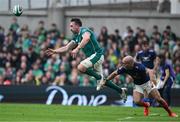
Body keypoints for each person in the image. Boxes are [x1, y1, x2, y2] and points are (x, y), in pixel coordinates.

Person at [45, 18, 127, 101]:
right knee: (103, 83)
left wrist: (77, 48)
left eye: (71, 26)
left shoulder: (85, 31)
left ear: (77, 25)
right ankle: (120, 90)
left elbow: (86, 38)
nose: (70, 28)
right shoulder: (76, 37)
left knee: (80, 67)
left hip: (97, 55)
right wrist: (55, 51)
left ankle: (99, 78)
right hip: (93, 58)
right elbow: (66, 48)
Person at [104, 56, 177, 117]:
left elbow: (150, 71)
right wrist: (106, 80)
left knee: (159, 99)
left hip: (147, 83)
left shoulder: (140, 67)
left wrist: (152, 81)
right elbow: (114, 74)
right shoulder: (124, 68)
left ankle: (170, 113)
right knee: (137, 101)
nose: (123, 65)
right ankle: (146, 105)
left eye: (125, 63)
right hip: (137, 85)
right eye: (123, 63)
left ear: (130, 63)